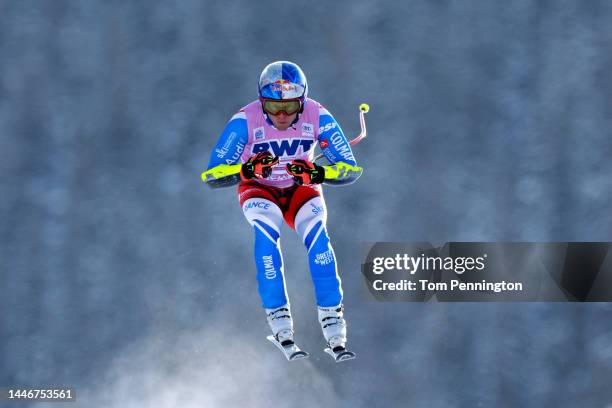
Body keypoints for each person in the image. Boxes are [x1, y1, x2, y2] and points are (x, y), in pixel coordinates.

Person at [202, 61, 362, 356]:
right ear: (262, 102)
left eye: (289, 107)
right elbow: (212, 174)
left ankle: (333, 318)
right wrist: (247, 169)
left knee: (318, 240)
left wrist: (318, 174)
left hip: (300, 189)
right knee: (266, 236)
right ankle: (278, 317)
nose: (282, 116)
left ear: (302, 101)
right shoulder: (245, 120)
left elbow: (350, 169)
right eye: (273, 108)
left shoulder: (318, 115)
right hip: (259, 189)